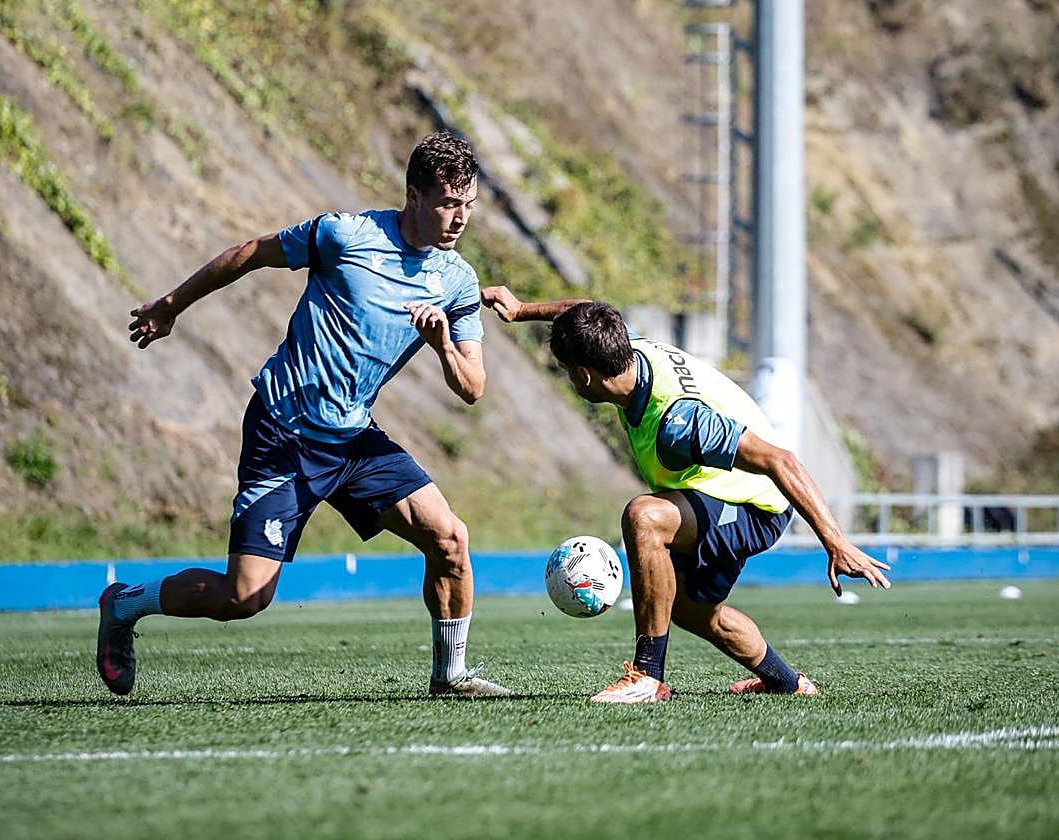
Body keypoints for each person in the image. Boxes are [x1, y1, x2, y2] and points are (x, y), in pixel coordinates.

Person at [97, 131, 511, 698]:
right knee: (244, 597)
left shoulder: (457, 282)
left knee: (450, 540)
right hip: (283, 434)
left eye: (468, 205)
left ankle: (451, 675)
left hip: (354, 440)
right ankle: (124, 604)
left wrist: (442, 345)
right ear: (413, 196)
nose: (460, 217)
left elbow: (473, 387)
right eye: (447, 202)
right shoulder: (345, 236)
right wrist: (171, 306)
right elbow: (251, 253)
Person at [481, 287, 891, 703]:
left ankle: (647, 676)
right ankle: (788, 682)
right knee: (690, 610)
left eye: (570, 373)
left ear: (584, 376)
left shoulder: (680, 422)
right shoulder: (629, 348)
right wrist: (520, 311)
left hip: (754, 504)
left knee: (644, 517)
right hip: (716, 492)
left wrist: (836, 543)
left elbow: (780, 460)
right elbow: (581, 312)